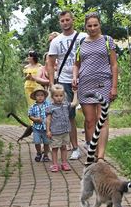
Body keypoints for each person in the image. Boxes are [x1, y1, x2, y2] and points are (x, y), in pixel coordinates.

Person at [72, 12, 118, 162]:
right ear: (85, 26)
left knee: (102, 119)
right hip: (85, 84)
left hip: (104, 82)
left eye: (95, 25)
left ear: (99, 25)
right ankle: (94, 151)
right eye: (89, 25)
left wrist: (114, 87)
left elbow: (114, 64)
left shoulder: (107, 40)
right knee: (90, 121)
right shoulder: (80, 43)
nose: (92, 28)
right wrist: (74, 77)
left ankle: (101, 156)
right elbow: (76, 64)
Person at [47, 10, 87, 160]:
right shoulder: (56, 41)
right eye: (62, 20)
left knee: (89, 114)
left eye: (67, 20)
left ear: (73, 20)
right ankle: (75, 147)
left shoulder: (83, 37)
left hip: (84, 78)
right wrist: (52, 84)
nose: (65, 23)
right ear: (60, 22)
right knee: (68, 115)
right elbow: (50, 64)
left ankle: (89, 142)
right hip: (64, 80)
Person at [45, 84, 79, 172]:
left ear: (64, 96)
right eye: (56, 96)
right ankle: (55, 164)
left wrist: (75, 93)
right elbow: (48, 120)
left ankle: (64, 163)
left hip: (65, 131)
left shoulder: (65, 104)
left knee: (64, 148)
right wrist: (48, 130)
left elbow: (74, 103)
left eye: (61, 95)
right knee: (55, 148)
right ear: (52, 97)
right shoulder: (50, 108)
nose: (59, 98)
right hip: (55, 132)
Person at [28, 87, 51, 162]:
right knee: (37, 141)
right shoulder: (33, 106)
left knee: (46, 142)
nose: (40, 97)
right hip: (36, 128)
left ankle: (46, 155)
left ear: (44, 96)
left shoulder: (47, 105)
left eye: (42, 95)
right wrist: (35, 119)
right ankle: (39, 153)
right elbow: (30, 115)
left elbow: (50, 114)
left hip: (46, 128)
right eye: (38, 95)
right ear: (35, 97)